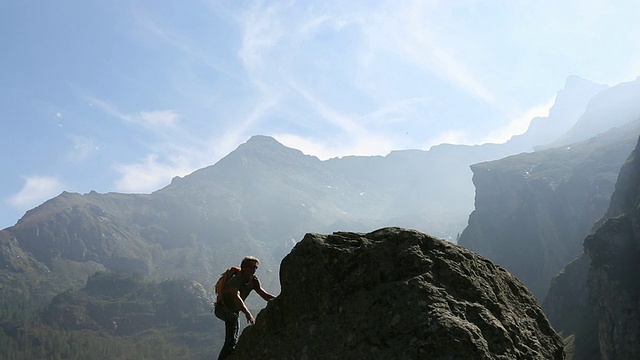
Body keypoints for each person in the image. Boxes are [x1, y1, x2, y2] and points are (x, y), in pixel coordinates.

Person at [214, 256, 276, 360]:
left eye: (255, 268)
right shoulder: (235, 280)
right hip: (221, 309)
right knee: (231, 339)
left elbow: (264, 295)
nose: (253, 270)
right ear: (243, 267)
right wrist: (248, 314)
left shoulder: (253, 280)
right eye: (251, 267)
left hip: (233, 312)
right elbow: (236, 297)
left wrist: (280, 299)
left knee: (232, 341)